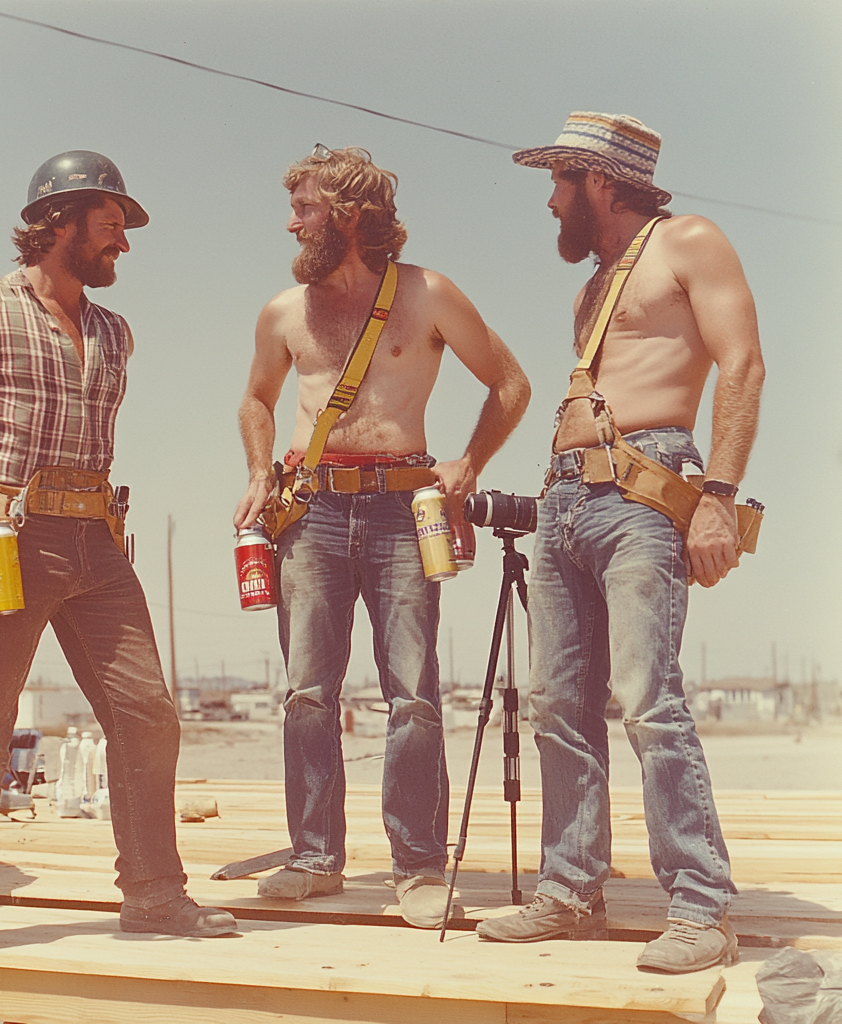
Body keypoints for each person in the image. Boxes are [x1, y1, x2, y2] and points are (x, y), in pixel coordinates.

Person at [0, 151, 237, 952]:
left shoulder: (114, 330)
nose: (124, 241)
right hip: (5, 536)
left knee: (147, 714)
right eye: (112, 223)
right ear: (59, 220)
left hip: (99, 539)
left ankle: (154, 894)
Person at [475, 113, 764, 973]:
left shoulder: (691, 240)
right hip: (567, 498)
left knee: (647, 700)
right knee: (557, 704)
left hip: (645, 491)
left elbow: (742, 364)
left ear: (599, 182)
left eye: (560, 182)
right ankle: (569, 891)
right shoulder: (594, 286)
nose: (552, 202)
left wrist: (716, 496)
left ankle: (701, 908)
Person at [234, 145, 530, 928]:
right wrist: (261, 470)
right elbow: (256, 400)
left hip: (405, 511)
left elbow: (511, 383)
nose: (290, 222)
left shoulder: (428, 294)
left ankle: (420, 867)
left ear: (350, 214)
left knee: (413, 695)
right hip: (313, 512)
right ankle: (313, 857)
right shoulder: (283, 311)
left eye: (304, 207)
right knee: (305, 692)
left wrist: (469, 463)